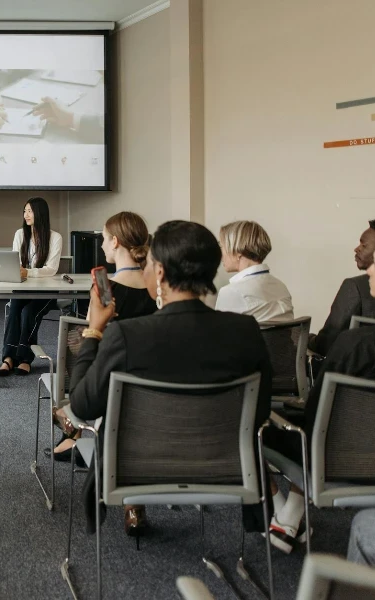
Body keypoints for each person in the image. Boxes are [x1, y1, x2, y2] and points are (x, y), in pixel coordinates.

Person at [55, 221, 272, 537]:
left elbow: (83, 405)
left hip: (138, 469)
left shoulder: (127, 335)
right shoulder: (246, 331)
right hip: (223, 469)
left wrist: (93, 331)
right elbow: (260, 411)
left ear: (159, 274)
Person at [263, 245, 375, 554]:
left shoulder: (354, 345)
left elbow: (318, 417)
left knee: (250, 425)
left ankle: (284, 516)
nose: (368, 271)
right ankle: (288, 520)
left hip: (336, 459)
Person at [52, 211, 157, 462]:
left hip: (104, 382)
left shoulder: (105, 291)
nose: (100, 244)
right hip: (148, 384)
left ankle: (74, 425)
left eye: (104, 237)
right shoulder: (157, 290)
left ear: (116, 242)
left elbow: (92, 336)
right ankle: (79, 433)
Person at [0, 197, 63, 377]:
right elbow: (15, 264)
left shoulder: (55, 238)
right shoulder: (20, 234)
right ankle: (8, 358)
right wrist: (25, 272)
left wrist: (28, 272)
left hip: (46, 291)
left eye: (30, 211)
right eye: (24, 211)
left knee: (28, 313)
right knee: (15, 309)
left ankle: (25, 359)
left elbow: (51, 269)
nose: (25, 215)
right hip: (23, 288)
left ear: (40, 213)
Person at [309, 219, 375, 357]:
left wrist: (308, 340)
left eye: (364, 245)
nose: (356, 248)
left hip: (354, 373)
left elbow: (327, 342)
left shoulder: (354, 286)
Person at [215, 220, 294, 322]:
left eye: (221, 246)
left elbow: (218, 335)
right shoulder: (281, 287)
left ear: (238, 251)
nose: (220, 253)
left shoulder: (231, 292)